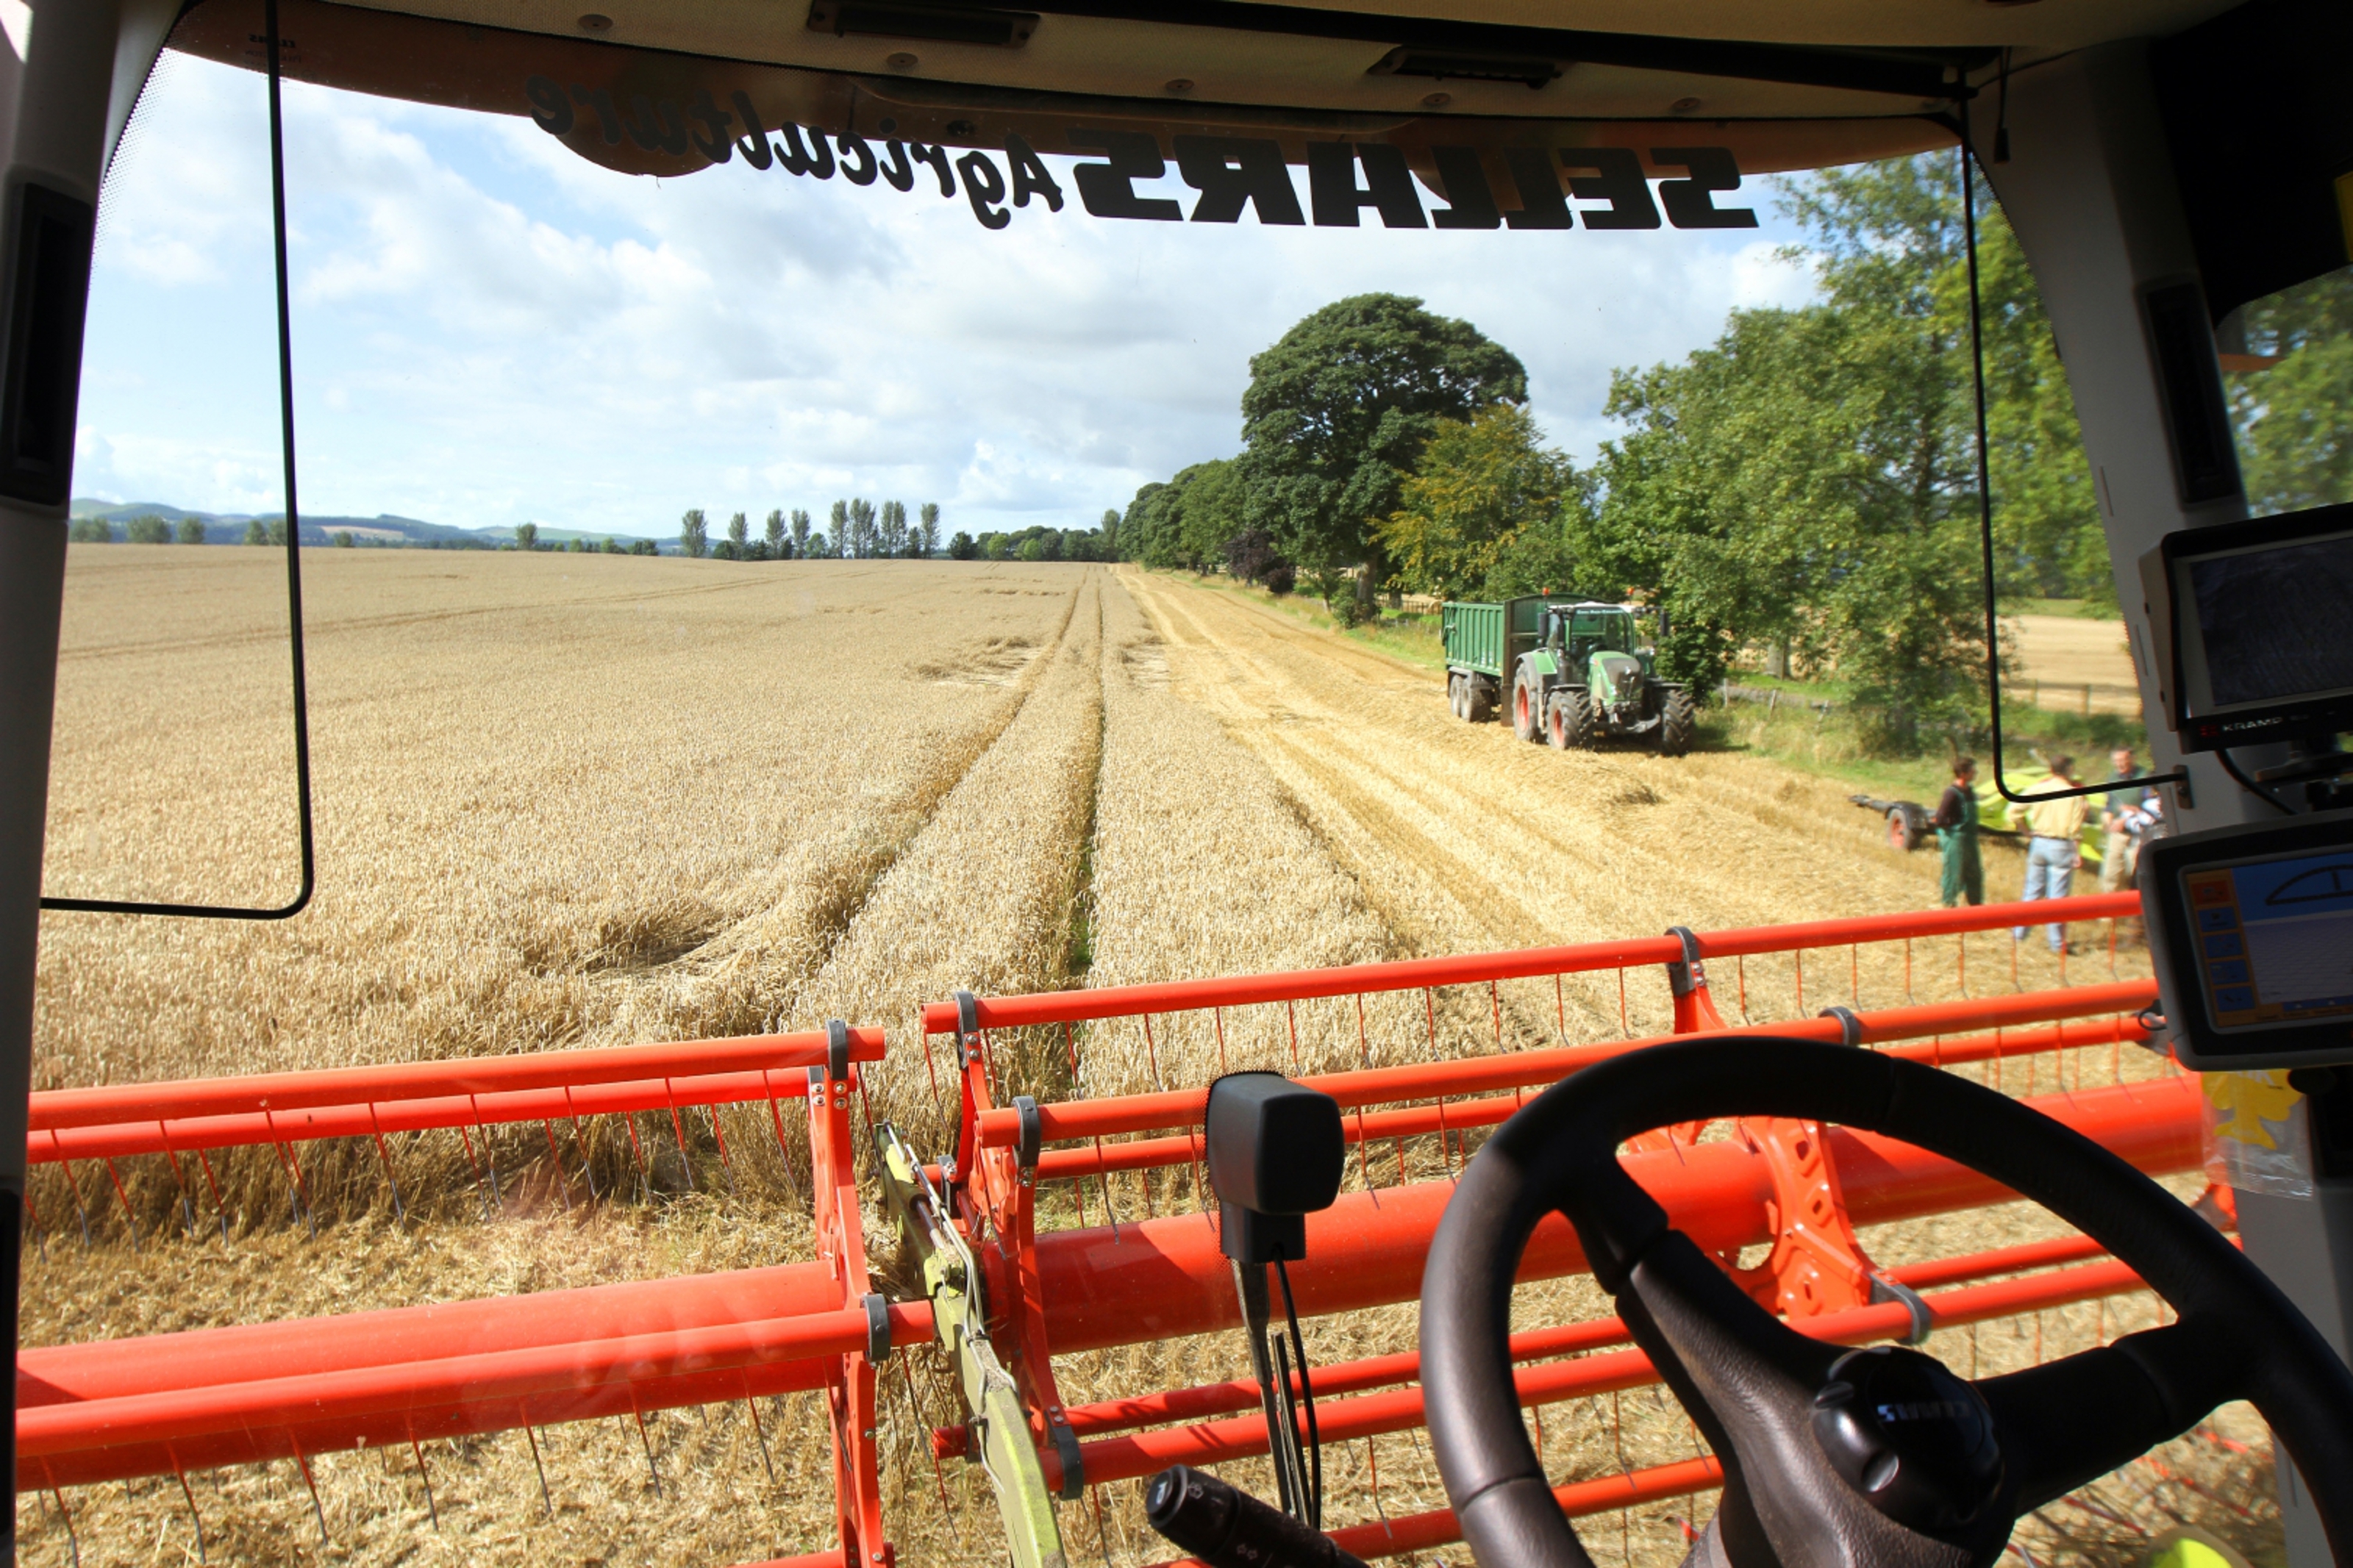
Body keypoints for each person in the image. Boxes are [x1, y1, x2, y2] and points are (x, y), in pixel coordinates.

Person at [2014, 755, 2091, 953]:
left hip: (2038, 842)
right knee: (2057, 899)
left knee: (2032, 892)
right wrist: (2077, 852)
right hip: (2061, 845)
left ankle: (2018, 935)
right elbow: (2075, 828)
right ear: (2068, 769)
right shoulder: (2074, 794)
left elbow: (2014, 810)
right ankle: (2057, 945)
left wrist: (2025, 831)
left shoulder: (2040, 787)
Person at [1929, 755, 1983, 907]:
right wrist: (1951, 827)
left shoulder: (1970, 791)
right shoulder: (1952, 793)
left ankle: (1976, 907)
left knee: (1975, 874)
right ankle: (1949, 904)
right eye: (1973, 771)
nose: (1976, 773)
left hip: (1970, 839)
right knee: (1954, 873)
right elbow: (1940, 818)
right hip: (1956, 839)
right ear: (1963, 774)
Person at [2099, 746, 2150, 895]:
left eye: (2122, 760)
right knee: (2110, 875)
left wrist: (2130, 814)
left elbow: (2151, 807)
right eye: (2116, 761)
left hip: (2139, 835)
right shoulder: (2112, 778)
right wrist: (2107, 820)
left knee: (2135, 876)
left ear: (2132, 759)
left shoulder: (2144, 777)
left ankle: (2137, 915)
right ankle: (2109, 915)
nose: (2119, 764)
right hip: (2117, 834)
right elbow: (2110, 804)